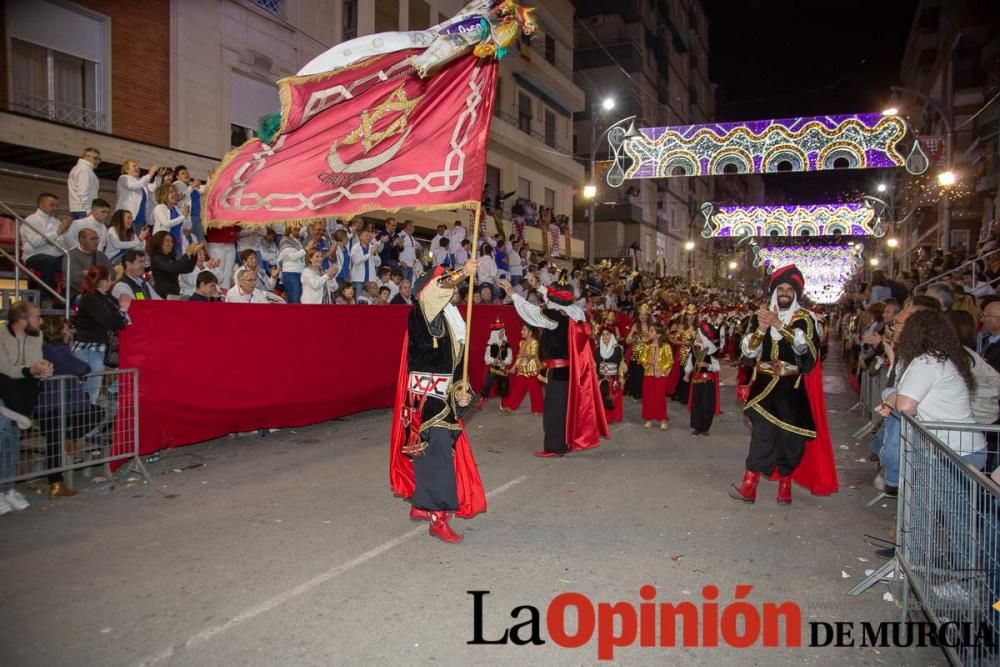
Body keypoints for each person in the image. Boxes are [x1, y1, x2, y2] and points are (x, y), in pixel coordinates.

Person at [388, 261, 486, 543]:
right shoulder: (425, 310)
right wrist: (462, 273)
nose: (455, 288)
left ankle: (422, 504)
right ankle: (436, 517)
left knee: (437, 454)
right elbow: (432, 293)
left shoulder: (450, 319)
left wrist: (463, 393)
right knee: (437, 457)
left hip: (442, 398)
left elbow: (454, 369)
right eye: (445, 281)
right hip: (425, 401)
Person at [729, 265, 836, 505]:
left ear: (795, 293)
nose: (785, 293)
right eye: (781, 289)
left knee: (791, 441)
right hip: (764, 389)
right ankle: (749, 485)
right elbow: (748, 351)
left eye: (789, 289)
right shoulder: (761, 315)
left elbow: (806, 350)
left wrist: (779, 325)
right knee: (762, 436)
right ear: (775, 291)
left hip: (791, 391)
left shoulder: (805, 319)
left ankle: (785, 486)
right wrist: (762, 329)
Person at [499, 274, 608, 457]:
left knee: (554, 410)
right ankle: (565, 442)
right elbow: (558, 303)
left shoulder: (554, 317)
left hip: (557, 372)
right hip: (571, 370)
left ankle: (555, 447)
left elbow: (531, 312)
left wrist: (513, 294)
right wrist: (539, 287)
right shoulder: (575, 313)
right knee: (565, 408)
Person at [37, 316, 106, 499]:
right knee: (93, 414)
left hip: (52, 405)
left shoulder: (46, 349)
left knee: (57, 439)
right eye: (66, 329)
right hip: (58, 405)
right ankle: (57, 481)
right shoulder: (57, 350)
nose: (69, 332)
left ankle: (57, 480)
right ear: (58, 331)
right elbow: (82, 368)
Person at [74, 265, 129, 406]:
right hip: (89, 350)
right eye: (110, 279)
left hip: (95, 350)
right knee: (90, 394)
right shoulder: (91, 299)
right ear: (104, 281)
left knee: (92, 392)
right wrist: (123, 309)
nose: (112, 282)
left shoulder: (103, 299)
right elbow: (112, 322)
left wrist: (121, 312)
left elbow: (119, 322)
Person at [23, 193, 72, 290]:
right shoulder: (30, 220)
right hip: (34, 256)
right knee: (49, 261)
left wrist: (66, 231)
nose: (55, 208)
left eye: (57, 206)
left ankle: (68, 296)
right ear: (41, 204)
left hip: (56, 256)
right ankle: (46, 296)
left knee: (73, 261)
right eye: (52, 205)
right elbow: (36, 242)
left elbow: (65, 246)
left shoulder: (57, 222)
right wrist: (57, 232)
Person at [686, 322, 722, 436]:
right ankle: (697, 427)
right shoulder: (694, 348)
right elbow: (689, 363)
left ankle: (705, 427)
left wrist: (707, 366)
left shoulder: (711, 350)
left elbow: (717, 367)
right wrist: (686, 374)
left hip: (707, 382)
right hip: (696, 380)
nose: (696, 335)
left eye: (697, 333)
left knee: (707, 404)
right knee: (696, 404)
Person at [501, 325, 544, 415]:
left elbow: (532, 355)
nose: (521, 331)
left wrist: (522, 355)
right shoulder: (522, 343)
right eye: (522, 329)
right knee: (519, 388)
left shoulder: (534, 342)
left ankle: (538, 409)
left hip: (533, 368)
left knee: (535, 389)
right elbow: (519, 358)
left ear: (530, 332)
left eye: (524, 330)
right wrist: (513, 368)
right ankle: (510, 405)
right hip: (522, 368)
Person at [640, 325, 673, 430]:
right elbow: (642, 359)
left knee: (659, 396)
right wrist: (650, 362)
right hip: (649, 374)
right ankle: (648, 419)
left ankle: (662, 419)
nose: (649, 332)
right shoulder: (647, 346)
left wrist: (661, 370)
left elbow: (670, 361)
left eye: (652, 331)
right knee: (648, 396)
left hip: (661, 375)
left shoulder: (666, 346)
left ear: (658, 334)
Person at [148, 231, 200, 297]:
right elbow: (173, 268)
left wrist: (193, 254)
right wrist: (187, 254)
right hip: (162, 296)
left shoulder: (170, 258)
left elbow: (188, 269)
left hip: (174, 294)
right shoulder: (156, 258)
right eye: (167, 241)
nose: (171, 244)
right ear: (158, 242)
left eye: (172, 241)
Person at [477, 319, 512, 410]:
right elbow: (487, 358)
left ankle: (503, 403)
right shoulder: (490, 345)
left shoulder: (506, 344)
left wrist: (504, 362)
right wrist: (493, 361)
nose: (502, 334)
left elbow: (510, 356)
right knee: (487, 385)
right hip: (493, 368)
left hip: (503, 368)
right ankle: (482, 401)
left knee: (504, 386)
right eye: (500, 332)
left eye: (502, 332)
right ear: (494, 334)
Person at [67, 228, 114, 298]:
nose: (96, 242)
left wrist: (89, 273)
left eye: (97, 239)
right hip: (78, 293)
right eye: (92, 239)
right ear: (82, 240)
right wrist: (100, 279)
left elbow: (111, 273)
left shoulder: (101, 255)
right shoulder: (71, 256)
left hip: (102, 291)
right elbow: (75, 278)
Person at [114, 160, 159, 232]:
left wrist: (159, 176)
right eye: (134, 166)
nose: (137, 168)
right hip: (126, 219)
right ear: (126, 169)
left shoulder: (141, 181)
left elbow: (153, 188)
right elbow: (136, 186)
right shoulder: (123, 178)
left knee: (137, 242)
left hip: (140, 220)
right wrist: (150, 173)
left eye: (138, 166)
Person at [594, 325, 625, 424]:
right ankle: (602, 417)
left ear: (612, 336)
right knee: (601, 397)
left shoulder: (618, 349)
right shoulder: (597, 349)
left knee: (610, 398)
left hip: (613, 378)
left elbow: (621, 364)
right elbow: (595, 365)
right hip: (601, 378)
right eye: (603, 335)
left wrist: (621, 376)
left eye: (607, 334)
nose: (605, 337)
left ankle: (609, 417)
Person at [624, 304, 654, 400]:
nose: (642, 316)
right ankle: (635, 393)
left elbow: (655, 339)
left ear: (648, 316)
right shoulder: (635, 326)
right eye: (641, 314)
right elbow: (627, 340)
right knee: (636, 373)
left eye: (644, 314)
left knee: (646, 374)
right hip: (636, 353)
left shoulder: (651, 327)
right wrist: (634, 339)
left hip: (648, 353)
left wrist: (646, 339)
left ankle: (645, 393)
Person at [151, 183, 189, 248]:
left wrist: (186, 218)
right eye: (171, 192)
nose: (174, 193)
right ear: (164, 195)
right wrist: (183, 216)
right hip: (162, 244)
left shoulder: (177, 209)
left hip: (177, 244)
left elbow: (185, 225)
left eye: (175, 191)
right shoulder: (159, 207)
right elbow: (166, 223)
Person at [67, 148, 101, 219]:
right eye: (95, 158)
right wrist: (89, 211)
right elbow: (83, 192)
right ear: (87, 156)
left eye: (99, 159)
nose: (97, 161)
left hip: (78, 209)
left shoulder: (77, 168)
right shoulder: (84, 170)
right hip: (83, 210)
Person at [277, 223, 307, 304]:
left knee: (300, 301)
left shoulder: (297, 240)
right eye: (295, 227)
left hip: (300, 273)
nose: (298, 228)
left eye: (299, 227)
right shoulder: (285, 240)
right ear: (289, 228)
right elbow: (293, 257)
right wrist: (306, 249)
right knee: (295, 301)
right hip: (291, 274)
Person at [350, 228, 381, 294]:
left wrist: (375, 254)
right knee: (358, 300)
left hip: (370, 280)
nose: (368, 237)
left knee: (368, 300)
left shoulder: (372, 247)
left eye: (369, 236)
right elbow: (356, 261)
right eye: (366, 235)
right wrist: (370, 254)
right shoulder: (355, 247)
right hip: (358, 279)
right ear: (360, 237)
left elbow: (378, 264)